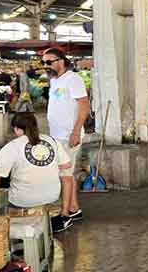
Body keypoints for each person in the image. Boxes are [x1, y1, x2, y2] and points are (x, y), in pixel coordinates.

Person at [0, 114, 73, 231]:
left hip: (22, 201)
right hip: (51, 197)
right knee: (67, 175)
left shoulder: (11, 147)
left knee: (4, 177)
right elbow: (66, 164)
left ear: (16, 129)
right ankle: (64, 215)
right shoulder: (51, 141)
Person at [42, 48, 89, 224]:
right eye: (43, 62)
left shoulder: (73, 79)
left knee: (65, 175)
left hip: (69, 135)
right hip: (57, 135)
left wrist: (76, 131)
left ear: (61, 61)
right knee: (66, 173)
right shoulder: (54, 80)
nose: (45, 66)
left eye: (49, 62)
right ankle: (74, 209)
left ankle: (65, 215)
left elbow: (84, 106)